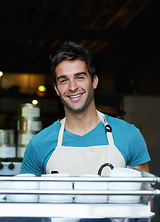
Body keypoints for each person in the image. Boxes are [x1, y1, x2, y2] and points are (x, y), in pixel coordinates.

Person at [20, 41, 150, 176]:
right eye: (63, 80)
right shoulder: (38, 144)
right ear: (56, 89)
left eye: (80, 77)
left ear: (94, 81)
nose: (72, 87)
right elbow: (29, 197)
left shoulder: (130, 135)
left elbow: (145, 196)